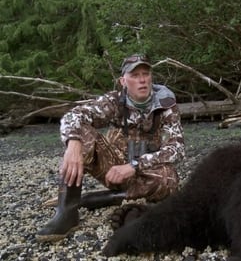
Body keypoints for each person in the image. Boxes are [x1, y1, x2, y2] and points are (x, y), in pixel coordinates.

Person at [37, 54, 185, 242]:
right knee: (83, 134)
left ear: (151, 77)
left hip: (142, 171)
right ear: (123, 81)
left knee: (169, 181)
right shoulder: (113, 101)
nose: (142, 80)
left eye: (145, 74)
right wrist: (73, 143)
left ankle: (97, 199)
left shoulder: (166, 105)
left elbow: (177, 147)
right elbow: (73, 116)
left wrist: (134, 166)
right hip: (111, 168)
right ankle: (67, 210)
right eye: (135, 75)